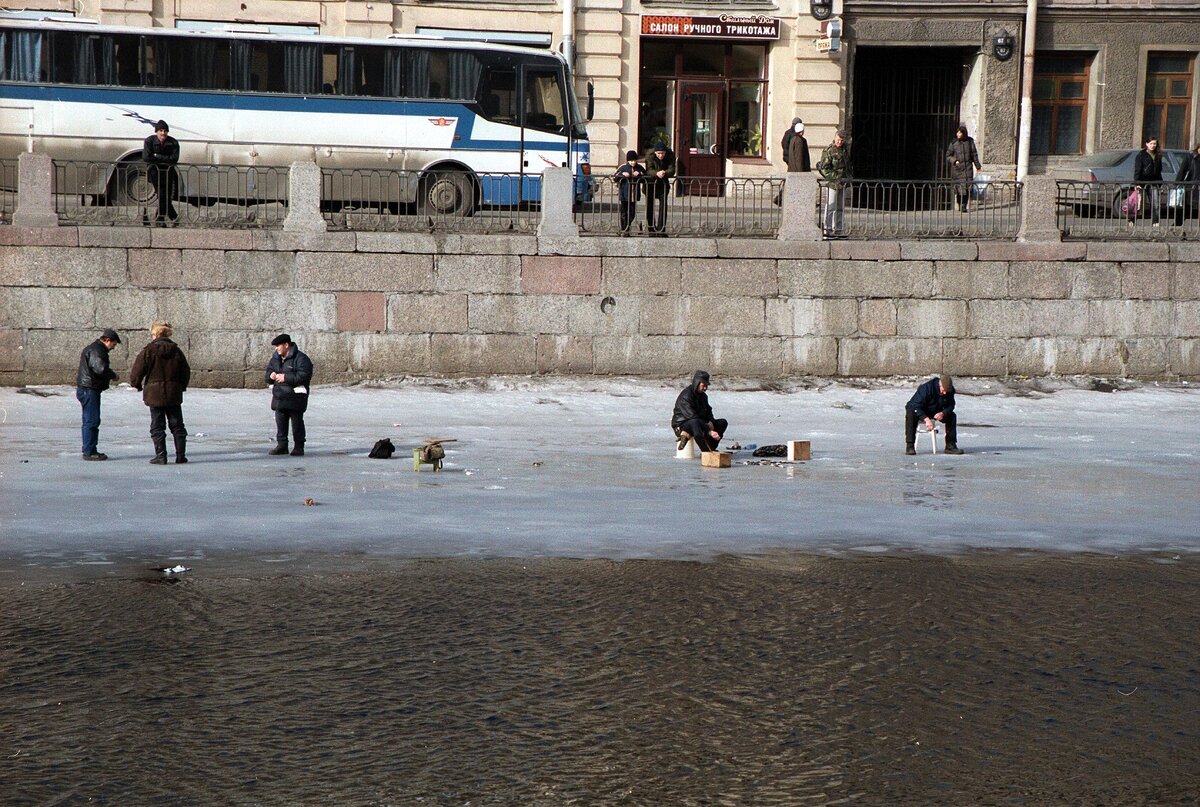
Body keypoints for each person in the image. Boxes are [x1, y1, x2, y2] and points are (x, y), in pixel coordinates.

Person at [129, 321, 191, 465]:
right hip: (173, 393)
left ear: (155, 334)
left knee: (157, 425)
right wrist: (181, 386)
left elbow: (137, 372)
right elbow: (185, 371)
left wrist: (136, 385)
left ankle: (161, 456)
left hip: (154, 394)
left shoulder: (148, 351)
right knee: (177, 425)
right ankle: (181, 455)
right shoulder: (176, 351)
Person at [76, 328, 121, 461]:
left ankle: (89, 449)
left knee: (89, 420)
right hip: (90, 389)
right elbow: (100, 368)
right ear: (107, 340)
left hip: (86, 388)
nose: (113, 348)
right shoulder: (97, 350)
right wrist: (113, 375)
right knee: (92, 420)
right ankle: (90, 451)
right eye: (113, 344)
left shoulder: (93, 348)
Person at [266, 333, 313, 457]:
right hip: (279, 397)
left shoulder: (301, 358)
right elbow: (268, 373)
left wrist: (286, 377)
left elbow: (304, 376)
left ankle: (299, 446)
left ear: (286, 345)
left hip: (295, 398)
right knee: (280, 422)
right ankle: (282, 445)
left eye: (278, 346)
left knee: (297, 423)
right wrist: (270, 376)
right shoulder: (275, 358)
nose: (276, 348)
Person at [905, 375, 963, 455]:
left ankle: (950, 446)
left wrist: (943, 413)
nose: (945, 393)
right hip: (921, 410)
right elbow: (914, 405)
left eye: (946, 391)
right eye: (943, 390)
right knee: (911, 413)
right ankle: (910, 445)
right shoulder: (926, 388)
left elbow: (951, 405)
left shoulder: (950, 390)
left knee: (952, 416)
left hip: (936, 410)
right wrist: (926, 419)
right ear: (940, 385)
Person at [672, 370, 728, 453]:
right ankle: (705, 452)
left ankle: (711, 447)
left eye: (706, 385)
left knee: (722, 422)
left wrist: (711, 422)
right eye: (703, 385)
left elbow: (708, 410)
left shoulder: (703, 396)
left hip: (700, 422)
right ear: (697, 383)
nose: (705, 388)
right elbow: (692, 416)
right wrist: (708, 431)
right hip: (683, 424)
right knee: (695, 423)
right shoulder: (686, 396)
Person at [143, 119, 180, 226]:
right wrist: (165, 159)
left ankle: (166, 218)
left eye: (165, 131)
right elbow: (146, 157)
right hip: (155, 173)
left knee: (166, 196)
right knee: (162, 194)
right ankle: (163, 219)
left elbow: (174, 159)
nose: (163, 133)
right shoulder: (149, 141)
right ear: (156, 132)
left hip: (168, 173)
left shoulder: (173, 142)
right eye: (161, 131)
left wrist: (157, 156)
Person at [817, 130, 849, 238]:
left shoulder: (845, 150)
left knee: (840, 207)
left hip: (843, 183)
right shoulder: (829, 151)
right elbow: (824, 168)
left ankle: (839, 229)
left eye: (842, 140)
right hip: (833, 183)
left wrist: (849, 178)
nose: (840, 142)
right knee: (830, 207)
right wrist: (834, 177)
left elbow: (847, 166)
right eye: (838, 140)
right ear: (835, 138)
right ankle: (828, 229)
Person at [946, 125, 982, 212]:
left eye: (959, 132)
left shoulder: (970, 142)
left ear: (963, 133)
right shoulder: (954, 144)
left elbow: (974, 155)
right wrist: (954, 161)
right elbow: (948, 155)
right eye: (957, 132)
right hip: (957, 169)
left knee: (966, 188)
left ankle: (964, 205)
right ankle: (960, 203)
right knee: (959, 188)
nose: (958, 134)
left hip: (968, 169)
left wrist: (978, 166)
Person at [645, 141, 676, 236]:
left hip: (663, 184)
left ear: (665, 152)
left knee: (663, 207)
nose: (661, 155)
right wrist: (656, 173)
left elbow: (672, 169)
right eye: (658, 153)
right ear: (655, 153)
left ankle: (661, 229)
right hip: (650, 184)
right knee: (650, 206)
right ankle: (651, 229)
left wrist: (665, 173)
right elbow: (649, 170)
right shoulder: (650, 156)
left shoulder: (670, 156)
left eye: (662, 153)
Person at [1133, 135, 1163, 226]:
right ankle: (1132, 220)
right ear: (1146, 144)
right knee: (1138, 203)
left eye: (1155, 144)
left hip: (1154, 182)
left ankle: (1155, 222)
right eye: (1151, 143)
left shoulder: (1158, 155)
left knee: (1155, 203)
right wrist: (1137, 182)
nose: (1153, 145)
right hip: (1142, 182)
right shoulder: (1141, 155)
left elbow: (1159, 170)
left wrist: (1160, 183)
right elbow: (1137, 169)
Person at [614, 149, 646, 235]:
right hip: (624, 194)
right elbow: (615, 177)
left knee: (632, 212)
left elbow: (645, 176)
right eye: (631, 161)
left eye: (634, 160)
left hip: (634, 195)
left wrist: (639, 174)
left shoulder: (639, 168)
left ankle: (626, 228)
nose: (633, 163)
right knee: (623, 212)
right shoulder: (623, 167)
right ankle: (624, 229)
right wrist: (622, 175)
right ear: (628, 160)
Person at [1172, 142, 1200, 227]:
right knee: (1185, 208)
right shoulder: (1190, 157)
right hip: (1190, 187)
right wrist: (1177, 184)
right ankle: (1176, 228)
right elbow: (1182, 172)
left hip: (1198, 188)